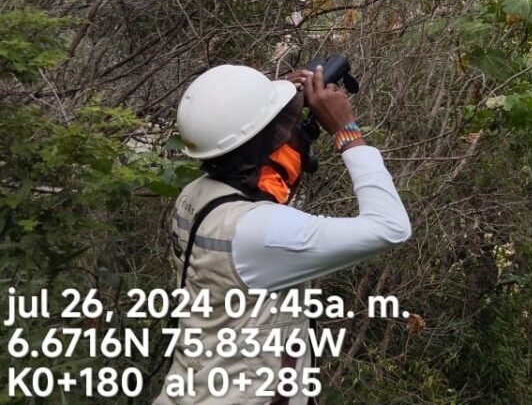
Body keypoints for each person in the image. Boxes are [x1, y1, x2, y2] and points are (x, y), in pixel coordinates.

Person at [153, 63, 411, 404]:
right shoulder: (259, 233)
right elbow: (390, 227)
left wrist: (276, 106)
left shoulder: (196, 195)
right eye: (282, 126)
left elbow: (263, 189)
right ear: (265, 143)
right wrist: (346, 131)